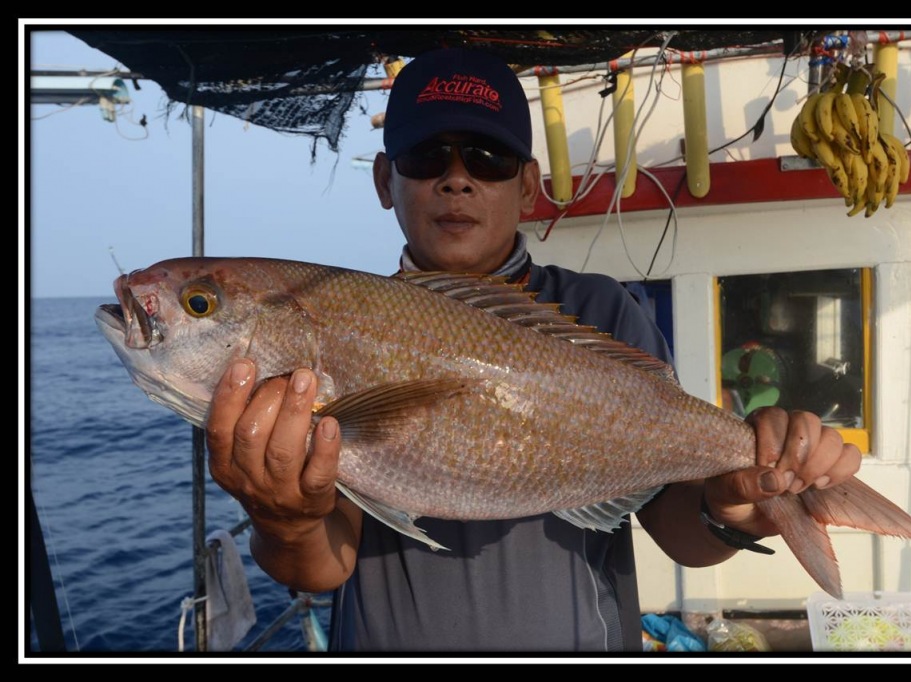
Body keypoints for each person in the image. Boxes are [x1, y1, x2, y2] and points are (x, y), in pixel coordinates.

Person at [205, 47, 861, 652]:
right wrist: (283, 517)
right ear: (385, 180)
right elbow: (323, 566)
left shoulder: (602, 312)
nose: (456, 180)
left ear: (526, 185)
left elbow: (673, 526)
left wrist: (735, 509)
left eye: (486, 158)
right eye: (427, 156)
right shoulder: (343, 330)